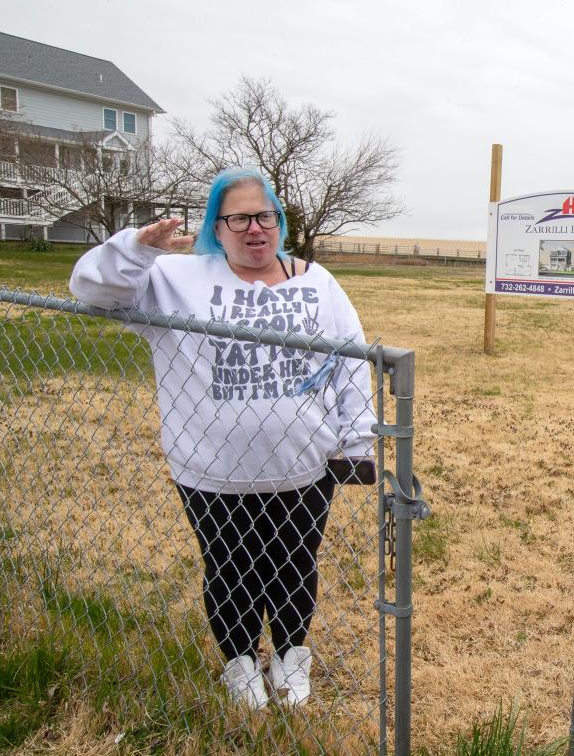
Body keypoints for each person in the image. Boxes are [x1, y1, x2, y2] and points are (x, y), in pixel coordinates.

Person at [70, 167, 377, 710]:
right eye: (238, 218)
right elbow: (92, 290)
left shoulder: (317, 282)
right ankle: (239, 665)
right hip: (212, 470)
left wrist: (357, 443)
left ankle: (290, 660)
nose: (254, 229)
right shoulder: (177, 278)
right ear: (218, 224)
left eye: (264, 216)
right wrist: (137, 249)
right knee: (229, 569)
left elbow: (351, 361)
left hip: (303, 466)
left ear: (279, 221)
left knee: (294, 566)